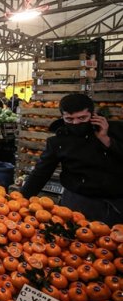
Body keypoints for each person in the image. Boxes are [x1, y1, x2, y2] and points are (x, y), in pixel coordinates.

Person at [21, 94, 123, 225]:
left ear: (93, 115)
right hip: (77, 203)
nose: (76, 123)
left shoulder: (115, 130)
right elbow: (41, 173)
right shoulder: (59, 141)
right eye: (69, 119)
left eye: (82, 118)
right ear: (62, 117)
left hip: (115, 204)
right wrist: (21, 200)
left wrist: (106, 140)